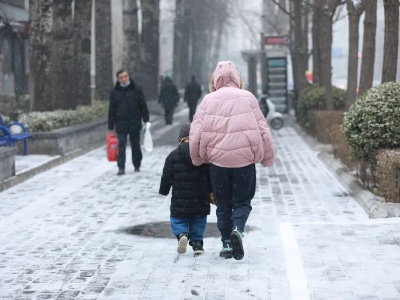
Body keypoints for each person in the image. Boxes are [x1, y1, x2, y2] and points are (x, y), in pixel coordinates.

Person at [189, 61, 275, 260]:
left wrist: (197, 157)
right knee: (243, 201)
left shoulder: (208, 100)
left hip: (218, 163)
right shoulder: (248, 98)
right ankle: (238, 229)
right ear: (237, 78)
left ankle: (227, 244)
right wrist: (267, 157)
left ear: (215, 79)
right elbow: (263, 129)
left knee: (223, 204)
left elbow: (196, 132)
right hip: (245, 161)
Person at [159, 123, 212, 255]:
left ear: (181, 138)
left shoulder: (173, 155)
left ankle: (182, 234)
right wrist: (213, 191)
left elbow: (167, 175)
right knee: (198, 220)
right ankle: (197, 243)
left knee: (177, 219)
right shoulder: (203, 156)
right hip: (200, 198)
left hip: (180, 199)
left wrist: (164, 190)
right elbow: (211, 175)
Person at [108, 69, 150, 175]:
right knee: (121, 145)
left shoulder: (137, 90)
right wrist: (111, 125)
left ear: (129, 77)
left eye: (125, 76)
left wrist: (146, 119)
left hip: (134, 122)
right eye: (121, 77)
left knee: (135, 144)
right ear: (118, 79)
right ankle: (121, 167)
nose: (124, 79)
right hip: (121, 123)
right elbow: (112, 109)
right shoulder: (115, 92)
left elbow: (143, 106)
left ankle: (137, 164)